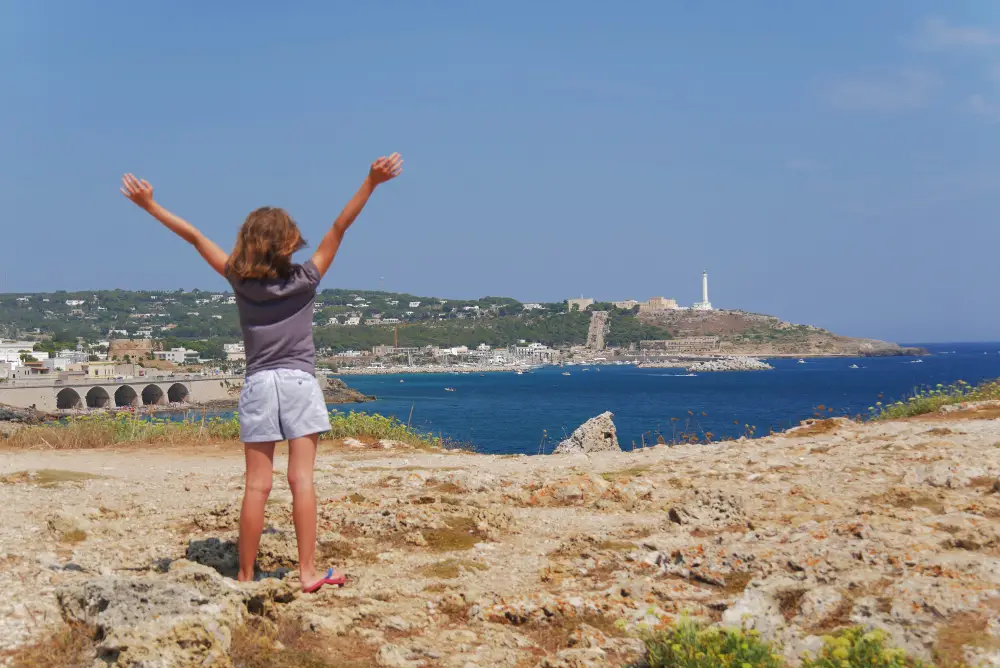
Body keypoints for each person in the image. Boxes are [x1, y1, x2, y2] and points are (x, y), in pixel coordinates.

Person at [120, 154, 404, 592]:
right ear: (291, 242)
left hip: (257, 384)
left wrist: (150, 206)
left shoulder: (239, 278)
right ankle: (308, 571)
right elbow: (339, 227)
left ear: (248, 242)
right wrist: (371, 181)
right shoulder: (307, 278)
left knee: (257, 486)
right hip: (297, 382)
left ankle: (246, 574)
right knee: (301, 480)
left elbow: (195, 237)